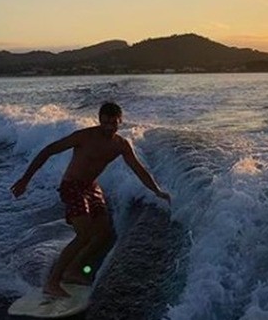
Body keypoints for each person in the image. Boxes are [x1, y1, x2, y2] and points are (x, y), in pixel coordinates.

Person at [10, 102, 170, 297]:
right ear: (99, 120)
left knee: (104, 234)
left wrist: (157, 191)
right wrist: (25, 179)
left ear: (120, 121)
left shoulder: (120, 144)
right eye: (105, 123)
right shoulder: (83, 137)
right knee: (84, 234)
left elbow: (139, 170)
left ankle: (72, 270)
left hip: (91, 187)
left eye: (113, 123)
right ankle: (52, 282)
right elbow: (48, 151)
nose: (109, 127)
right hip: (72, 186)